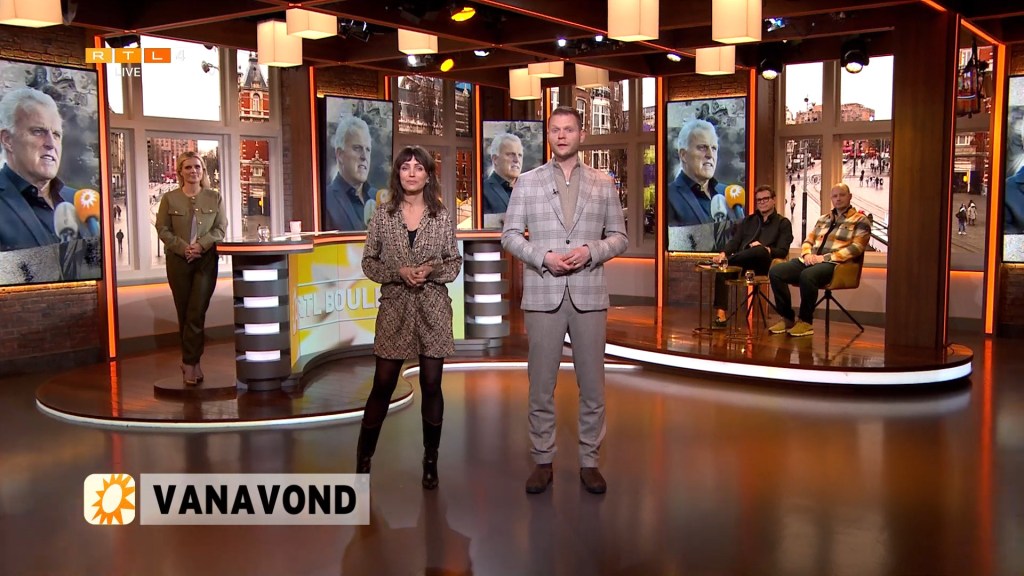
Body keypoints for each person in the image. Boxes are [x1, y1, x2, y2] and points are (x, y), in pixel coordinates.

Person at [502, 106, 628, 495]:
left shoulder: (603, 183)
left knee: (593, 386)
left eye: (568, 129)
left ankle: (590, 461)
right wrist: (543, 257)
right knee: (541, 386)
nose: (561, 135)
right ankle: (543, 460)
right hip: (544, 294)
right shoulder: (527, 182)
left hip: (589, 294)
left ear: (581, 135)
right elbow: (509, 235)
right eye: (555, 129)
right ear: (549, 136)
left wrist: (591, 251)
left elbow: (620, 237)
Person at [356, 146, 463, 490]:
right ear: (398, 174)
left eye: (419, 167)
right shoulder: (382, 215)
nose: (412, 173)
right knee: (383, 384)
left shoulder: (441, 216)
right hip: (395, 308)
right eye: (406, 167)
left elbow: (454, 262)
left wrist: (431, 271)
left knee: (432, 384)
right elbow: (369, 262)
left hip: (433, 307)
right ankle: (362, 462)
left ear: (428, 175)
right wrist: (397, 272)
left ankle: (430, 461)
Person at [155, 151, 227, 385]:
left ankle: (189, 362)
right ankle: (192, 364)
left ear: (203, 171)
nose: (193, 171)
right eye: (188, 167)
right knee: (185, 312)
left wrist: (201, 245)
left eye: (197, 167)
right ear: (180, 172)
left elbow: (220, 228)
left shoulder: (214, 197)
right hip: (178, 261)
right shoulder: (170, 198)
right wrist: (183, 247)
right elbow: (162, 228)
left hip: (205, 260)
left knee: (197, 312)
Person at [768, 182, 870, 337]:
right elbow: (808, 241)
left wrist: (824, 258)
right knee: (776, 271)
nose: (838, 199)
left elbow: (857, 248)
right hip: (811, 260)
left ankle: (805, 322)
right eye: (835, 196)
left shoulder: (861, 220)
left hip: (834, 264)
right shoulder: (823, 219)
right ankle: (787, 318)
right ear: (831, 198)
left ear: (850, 197)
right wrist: (807, 255)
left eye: (842, 195)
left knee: (808, 275)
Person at [0, 87, 79, 251]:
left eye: (56, 135)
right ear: (7, 140)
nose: (51, 144)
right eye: (38, 131)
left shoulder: (79, 201)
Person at [709, 185, 794, 327]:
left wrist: (766, 249)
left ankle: (726, 261)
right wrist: (723, 253)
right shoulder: (748, 221)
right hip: (743, 262)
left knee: (758, 250)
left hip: (764, 264)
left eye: (765, 199)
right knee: (723, 270)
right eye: (759, 200)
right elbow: (735, 241)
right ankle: (721, 315)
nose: (762, 202)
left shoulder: (783, 223)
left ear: (773, 200)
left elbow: (782, 251)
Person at [666, 119, 729, 227]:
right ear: (683, 155)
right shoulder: (668, 196)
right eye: (702, 147)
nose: (710, 155)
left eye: (714, 148)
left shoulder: (727, 193)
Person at [324, 115, 377, 231]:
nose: (364, 156)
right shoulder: (326, 200)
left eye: (368, 150)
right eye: (357, 148)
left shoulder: (377, 197)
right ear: (340, 154)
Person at [482, 132, 523, 216]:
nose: (517, 160)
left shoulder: (529, 189)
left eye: (519, 155)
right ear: (495, 159)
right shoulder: (483, 190)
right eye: (510, 155)